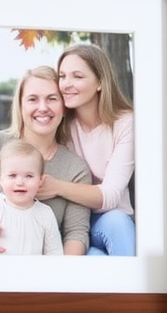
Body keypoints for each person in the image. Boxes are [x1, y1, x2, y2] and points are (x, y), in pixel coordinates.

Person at [0, 67, 92, 255]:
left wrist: (58, 277)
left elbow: (75, 233)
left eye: (52, 98)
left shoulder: (76, 169)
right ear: (20, 106)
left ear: (64, 107)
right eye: (33, 99)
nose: (42, 107)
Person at [37, 44, 135, 256]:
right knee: (95, 258)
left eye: (77, 76)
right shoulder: (59, 125)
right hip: (70, 223)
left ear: (100, 82)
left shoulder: (125, 123)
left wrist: (57, 187)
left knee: (117, 223)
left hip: (111, 220)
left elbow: (110, 196)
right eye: (62, 76)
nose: (66, 84)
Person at [0, 140, 63, 255]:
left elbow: (55, 253)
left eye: (29, 176)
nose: (20, 182)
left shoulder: (45, 213)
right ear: (0, 179)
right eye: (12, 175)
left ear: (40, 180)